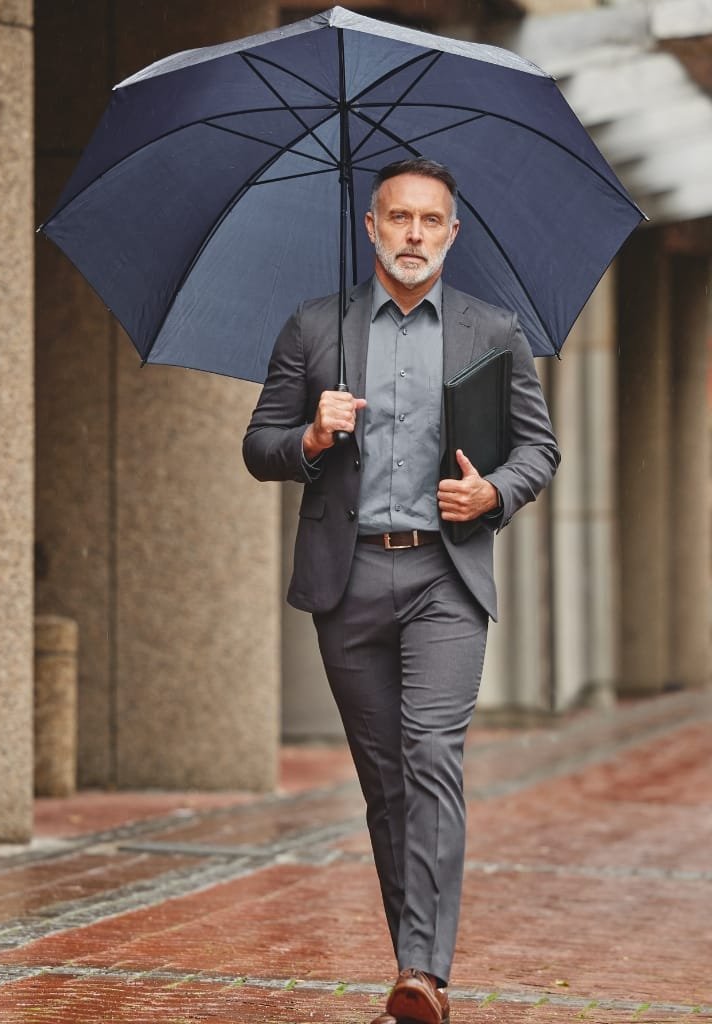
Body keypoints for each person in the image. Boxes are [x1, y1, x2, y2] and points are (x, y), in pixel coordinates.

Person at [243, 157, 559, 1024]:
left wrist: (492, 492)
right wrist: (309, 435)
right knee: (386, 782)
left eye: (431, 221)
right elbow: (258, 444)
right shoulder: (315, 328)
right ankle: (413, 967)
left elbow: (538, 450)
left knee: (430, 756)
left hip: (443, 576)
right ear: (373, 228)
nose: (414, 234)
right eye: (399, 219)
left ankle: (423, 975)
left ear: (452, 234)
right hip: (348, 579)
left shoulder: (492, 331)